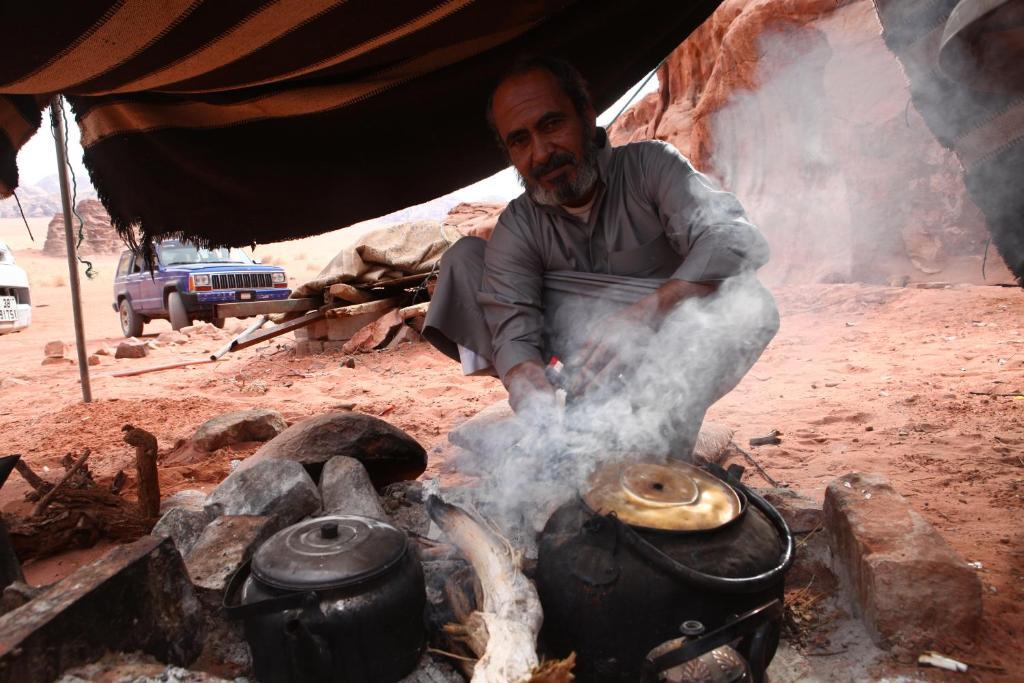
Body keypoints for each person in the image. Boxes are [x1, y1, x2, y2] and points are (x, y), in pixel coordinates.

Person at [424, 56, 778, 459]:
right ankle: (572, 405)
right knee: (467, 260)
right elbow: (512, 324)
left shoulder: (651, 166)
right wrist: (526, 380)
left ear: (587, 114)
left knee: (749, 303)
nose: (541, 154)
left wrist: (647, 310)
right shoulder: (520, 223)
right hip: (576, 353)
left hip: (666, 347)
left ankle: (659, 434)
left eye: (552, 125)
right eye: (520, 140)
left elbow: (733, 237)